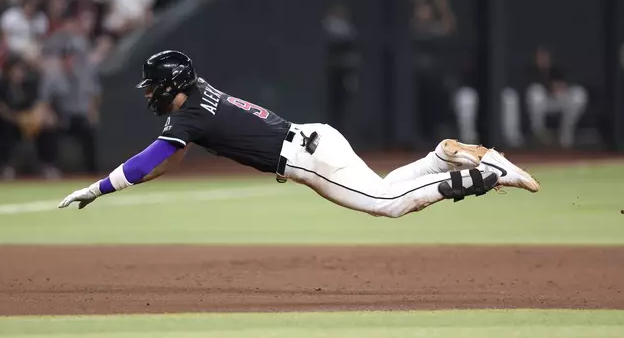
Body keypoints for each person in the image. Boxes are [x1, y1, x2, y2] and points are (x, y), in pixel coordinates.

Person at [58, 50, 540, 217]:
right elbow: (166, 162)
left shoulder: (189, 117)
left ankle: (484, 173)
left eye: (154, 87)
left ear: (172, 86)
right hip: (311, 140)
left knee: (389, 204)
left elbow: (149, 159)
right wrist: (135, 176)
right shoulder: (196, 99)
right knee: (388, 189)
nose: (150, 95)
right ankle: (441, 157)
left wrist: (98, 188)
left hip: (308, 157)